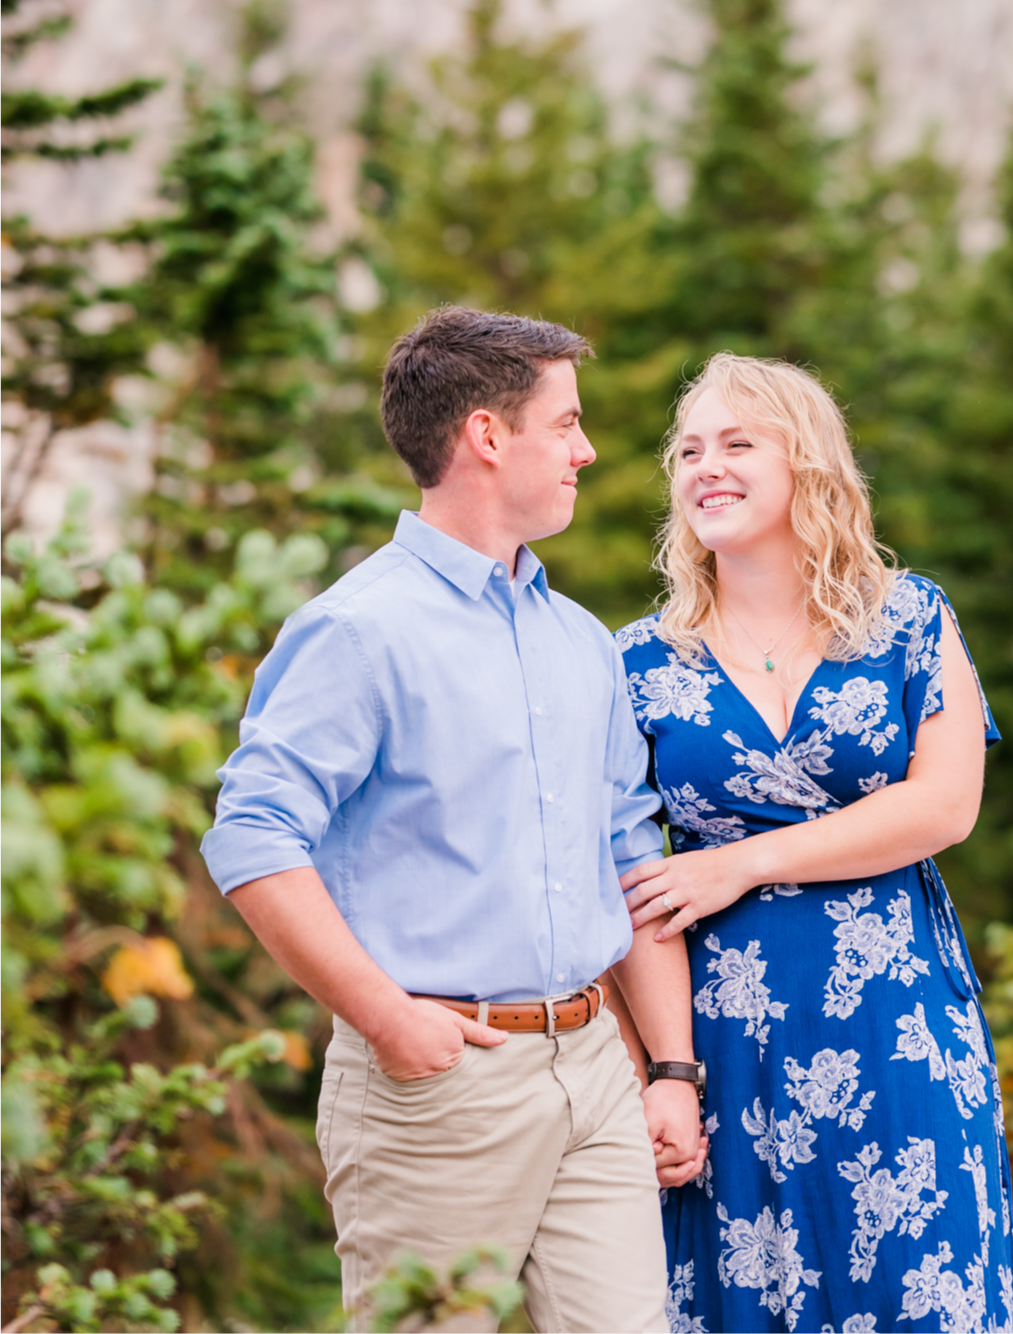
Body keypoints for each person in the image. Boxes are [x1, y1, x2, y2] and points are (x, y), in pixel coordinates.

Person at [201, 307, 704, 1334]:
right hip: (438, 1082)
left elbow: (627, 860)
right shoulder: (357, 630)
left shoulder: (580, 643)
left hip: (597, 1076)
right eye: (566, 425)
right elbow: (252, 838)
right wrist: (390, 1021)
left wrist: (669, 1070)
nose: (587, 451)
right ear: (486, 436)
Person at [613, 352, 1013, 1334]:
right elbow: (627, 880)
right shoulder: (634, 661)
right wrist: (656, 1071)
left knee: (922, 1299)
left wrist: (741, 860)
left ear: (808, 462)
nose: (705, 466)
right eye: (688, 450)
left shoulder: (910, 620)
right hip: (720, 1045)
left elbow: (944, 807)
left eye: (737, 443)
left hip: (897, 1027)